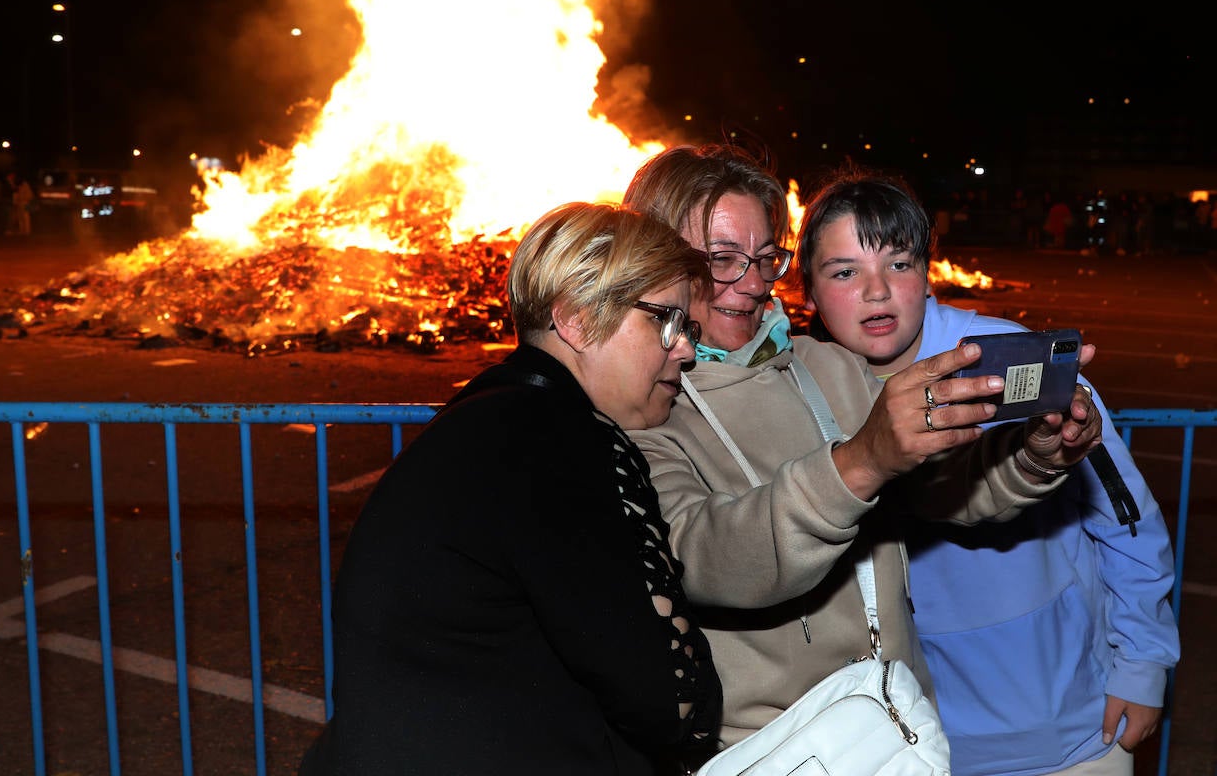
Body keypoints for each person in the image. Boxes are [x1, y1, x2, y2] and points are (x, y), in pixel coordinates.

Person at [620, 144, 1104, 749]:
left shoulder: (828, 366)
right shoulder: (642, 403)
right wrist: (862, 460)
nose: (750, 285)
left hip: (895, 731)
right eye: (721, 259)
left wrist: (1036, 455)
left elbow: (943, 492)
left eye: (766, 258)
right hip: (773, 749)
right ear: (655, 258)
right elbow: (706, 558)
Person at [299, 202, 721, 776]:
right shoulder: (562, 441)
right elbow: (672, 703)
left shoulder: (490, 417)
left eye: (687, 328)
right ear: (574, 318)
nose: (686, 350)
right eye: (664, 321)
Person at [796, 170, 1179, 776]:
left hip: (1070, 730)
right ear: (809, 290)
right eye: (845, 272)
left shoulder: (1015, 358)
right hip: (909, 740)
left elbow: (1126, 515)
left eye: (898, 263)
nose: (876, 291)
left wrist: (1144, 663)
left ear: (927, 271)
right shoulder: (801, 390)